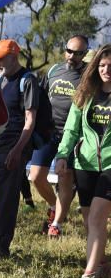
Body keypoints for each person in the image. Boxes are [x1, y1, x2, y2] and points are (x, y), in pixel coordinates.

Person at [0, 39, 40, 258]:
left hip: (13, 148)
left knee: (6, 200)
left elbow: (30, 121)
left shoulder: (27, 80)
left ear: (14, 56)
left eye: (0, 58)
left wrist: (17, 150)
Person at [55, 44, 111, 278]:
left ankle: (87, 276)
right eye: (101, 65)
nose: (106, 70)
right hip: (85, 163)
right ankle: (98, 265)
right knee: (90, 222)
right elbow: (71, 128)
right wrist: (62, 155)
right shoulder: (86, 92)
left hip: (110, 165)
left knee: (98, 216)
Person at [38, 35, 89, 237]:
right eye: (69, 50)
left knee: (65, 178)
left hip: (72, 135)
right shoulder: (54, 70)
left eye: (78, 53)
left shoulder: (87, 75)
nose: (72, 56)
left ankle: (56, 224)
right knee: (36, 175)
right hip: (49, 133)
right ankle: (54, 205)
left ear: (84, 54)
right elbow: (42, 96)